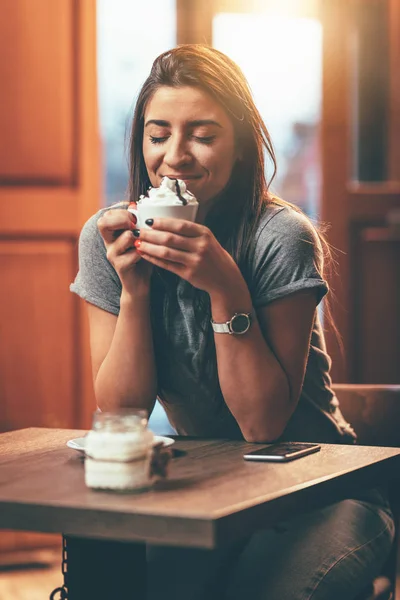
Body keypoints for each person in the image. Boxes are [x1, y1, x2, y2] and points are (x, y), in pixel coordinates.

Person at [70, 45, 394, 600]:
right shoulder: (110, 240)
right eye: (158, 134)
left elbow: (263, 425)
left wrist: (224, 285)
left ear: (241, 143)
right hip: (208, 490)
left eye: (202, 134)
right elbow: (121, 412)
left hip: (319, 491)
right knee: (111, 572)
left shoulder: (279, 236)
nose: (175, 156)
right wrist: (135, 293)